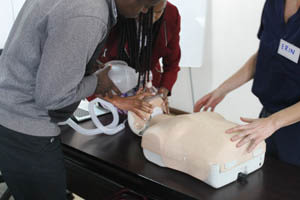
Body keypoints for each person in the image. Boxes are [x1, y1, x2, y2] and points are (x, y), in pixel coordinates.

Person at [0, 0, 161, 199]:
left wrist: (83, 66)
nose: (144, 11)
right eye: (144, 4)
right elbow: (51, 96)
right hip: (26, 127)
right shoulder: (90, 13)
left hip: (9, 114)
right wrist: (96, 83)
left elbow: (46, 50)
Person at [194, 0, 300, 166]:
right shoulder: (274, 4)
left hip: (292, 126)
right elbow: (265, 54)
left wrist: (273, 123)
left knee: (288, 187)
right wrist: (222, 90)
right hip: (268, 119)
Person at [89, 0, 181, 118]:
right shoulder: (107, 15)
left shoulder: (171, 14)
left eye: (158, 12)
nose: (152, 19)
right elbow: (85, 72)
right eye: (146, 11)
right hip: (110, 87)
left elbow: (172, 64)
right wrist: (116, 101)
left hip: (148, 85)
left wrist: (161, 93)